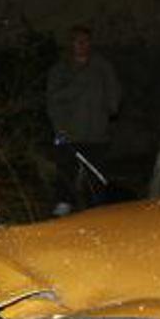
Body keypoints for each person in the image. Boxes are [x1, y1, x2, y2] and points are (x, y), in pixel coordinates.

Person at [46, 24, 124, 215]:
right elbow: (53, 100)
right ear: (70, 43)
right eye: (77, 41)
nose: (82, 44)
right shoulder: (60, 70)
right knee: (66, 170)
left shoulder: (103, 67)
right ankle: (63, 204)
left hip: (97, 133)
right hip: (69, 133)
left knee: (95, 174)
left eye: (86, 41)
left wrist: (111, 106)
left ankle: (96, 208)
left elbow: (114, 93)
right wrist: (59, 129)